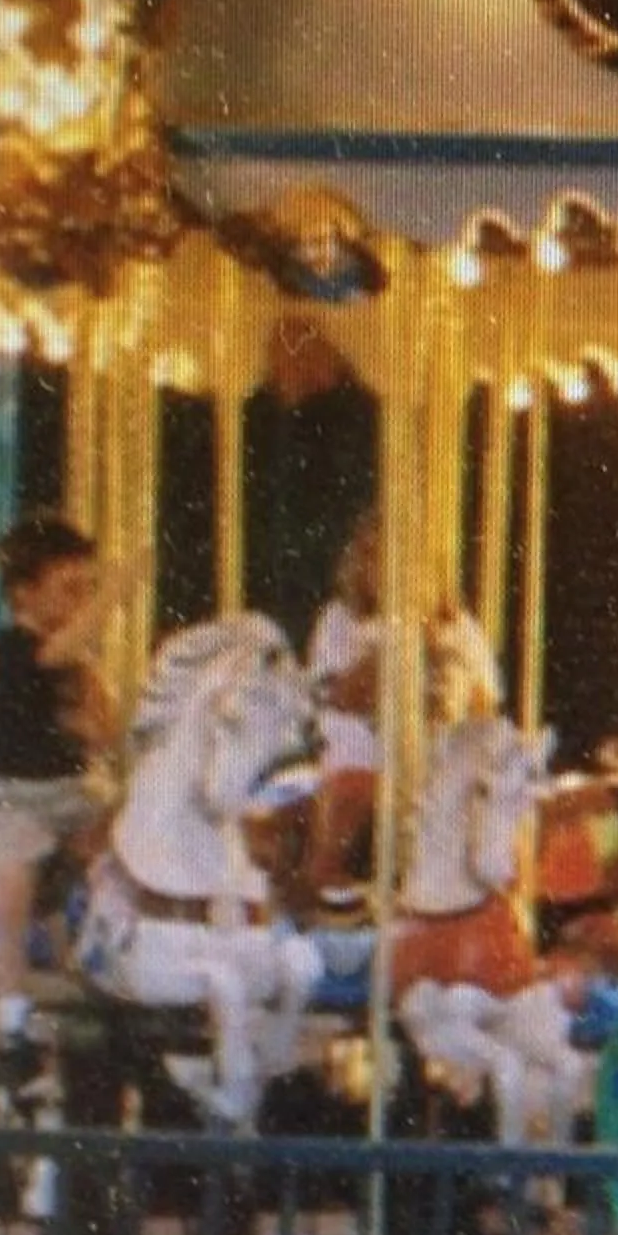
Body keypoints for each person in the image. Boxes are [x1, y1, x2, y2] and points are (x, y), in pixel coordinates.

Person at [0, 513, 121, 1061]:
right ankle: (8, 1007)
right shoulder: (15, 644)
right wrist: (117, 593)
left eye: (88, 590)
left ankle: (100, 961)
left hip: (74, 794)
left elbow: (106, 733)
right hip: (14, 795)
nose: (82, 604)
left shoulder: (77, 661)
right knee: (12, 879)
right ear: (23, 594)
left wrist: (96, 722)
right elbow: (57, 653)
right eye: (70, 590)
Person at [243, 313, 381, 650]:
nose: (278, 367)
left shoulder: (359, 421)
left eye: (293, 349)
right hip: (283, 585)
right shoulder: (263, 419)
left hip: (322, 580)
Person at [304, 518, 384, 912]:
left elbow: (479, 702)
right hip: (356, 763)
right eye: (369, 554)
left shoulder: (454, 627)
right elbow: (345, 696)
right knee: (352, 796)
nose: (377, 565)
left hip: (425, 768)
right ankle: (324, 899)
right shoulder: (336, 622)